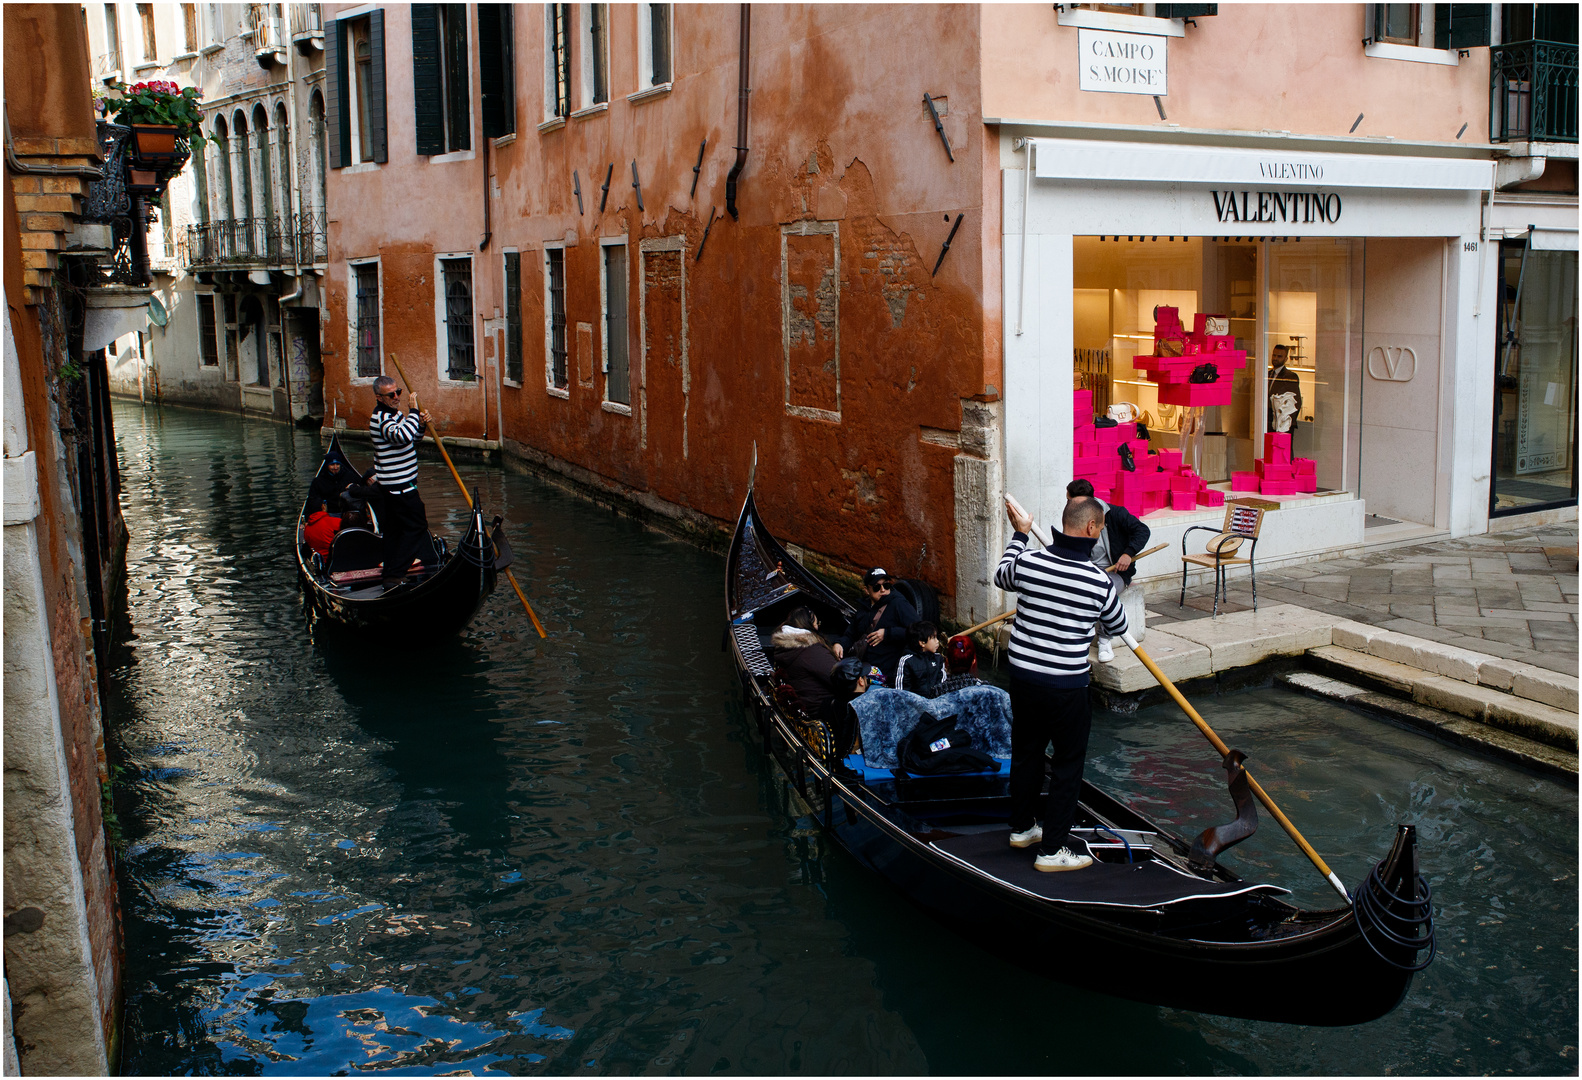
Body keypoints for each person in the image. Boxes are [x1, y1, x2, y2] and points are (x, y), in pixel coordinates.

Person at [993, 495, 1129, 873]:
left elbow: (1001, 574)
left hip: (1023, 679)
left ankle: (1022, 828)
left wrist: (1020, 535)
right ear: (1090, 528)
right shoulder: (1099, 582)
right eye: (1100, 529)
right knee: (1068, 766)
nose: (1101, 534)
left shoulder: (1030, 561)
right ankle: (1052, 850)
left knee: (1027, 754)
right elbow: (1118, 626)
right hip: (1066, 687)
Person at [1066, 478, 1149, 663]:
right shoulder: (1074, 519)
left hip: (1115, 573)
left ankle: (1104, 639)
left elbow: (1143, 530)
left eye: (1069, 501)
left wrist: (1128, 553)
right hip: (1087, 571)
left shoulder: (1116, 514)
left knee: (1105, 588)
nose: (1067, 505)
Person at [368, 376, 435, 588]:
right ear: (379, 397)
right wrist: (414, 412)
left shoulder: (395, 414)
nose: (397, 397)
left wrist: (421, 425)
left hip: (401, 485)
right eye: (391, 394)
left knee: (395, 532)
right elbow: (403, 436)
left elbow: (412, 440)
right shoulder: (381, 418)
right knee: (417, 526)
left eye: (398, 392)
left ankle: (390, 575)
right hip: (398, 488)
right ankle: (395, 574)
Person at [835, 568, 918, 687]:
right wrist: (840, 644)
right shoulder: (863, 608)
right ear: (867, 590)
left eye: (886, 585)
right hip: (863, 667)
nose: (883, 590)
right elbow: (851, 633)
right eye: (876, 587)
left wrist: (887, 633)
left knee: (855, 687)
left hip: (886, 675)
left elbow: (918, 630)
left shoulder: (899, 604)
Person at [772, 607, 844, 718]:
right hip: (821, 707)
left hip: (805, 700)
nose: (818, 626)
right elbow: (839, 678)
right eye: (816, 623)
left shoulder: (785, 647)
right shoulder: (812, 650)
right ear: (809, 626)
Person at [893, 621, 945, 698]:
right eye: (933, 638)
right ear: (922, 643)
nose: (937, 641)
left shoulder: (938, 658)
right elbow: (901, 692)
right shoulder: (907, 661)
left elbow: (942, 682)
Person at [1267, 344, 1303, 433]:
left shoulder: (1290, 376)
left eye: (1279, 356)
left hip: (1282, 423)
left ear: (1286, 359)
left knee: (1282, 446)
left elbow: (1296, 402)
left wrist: (1286, 423)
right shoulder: (1267, 374)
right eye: (1274, 355)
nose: (1275, 358)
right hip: (1267, 421)